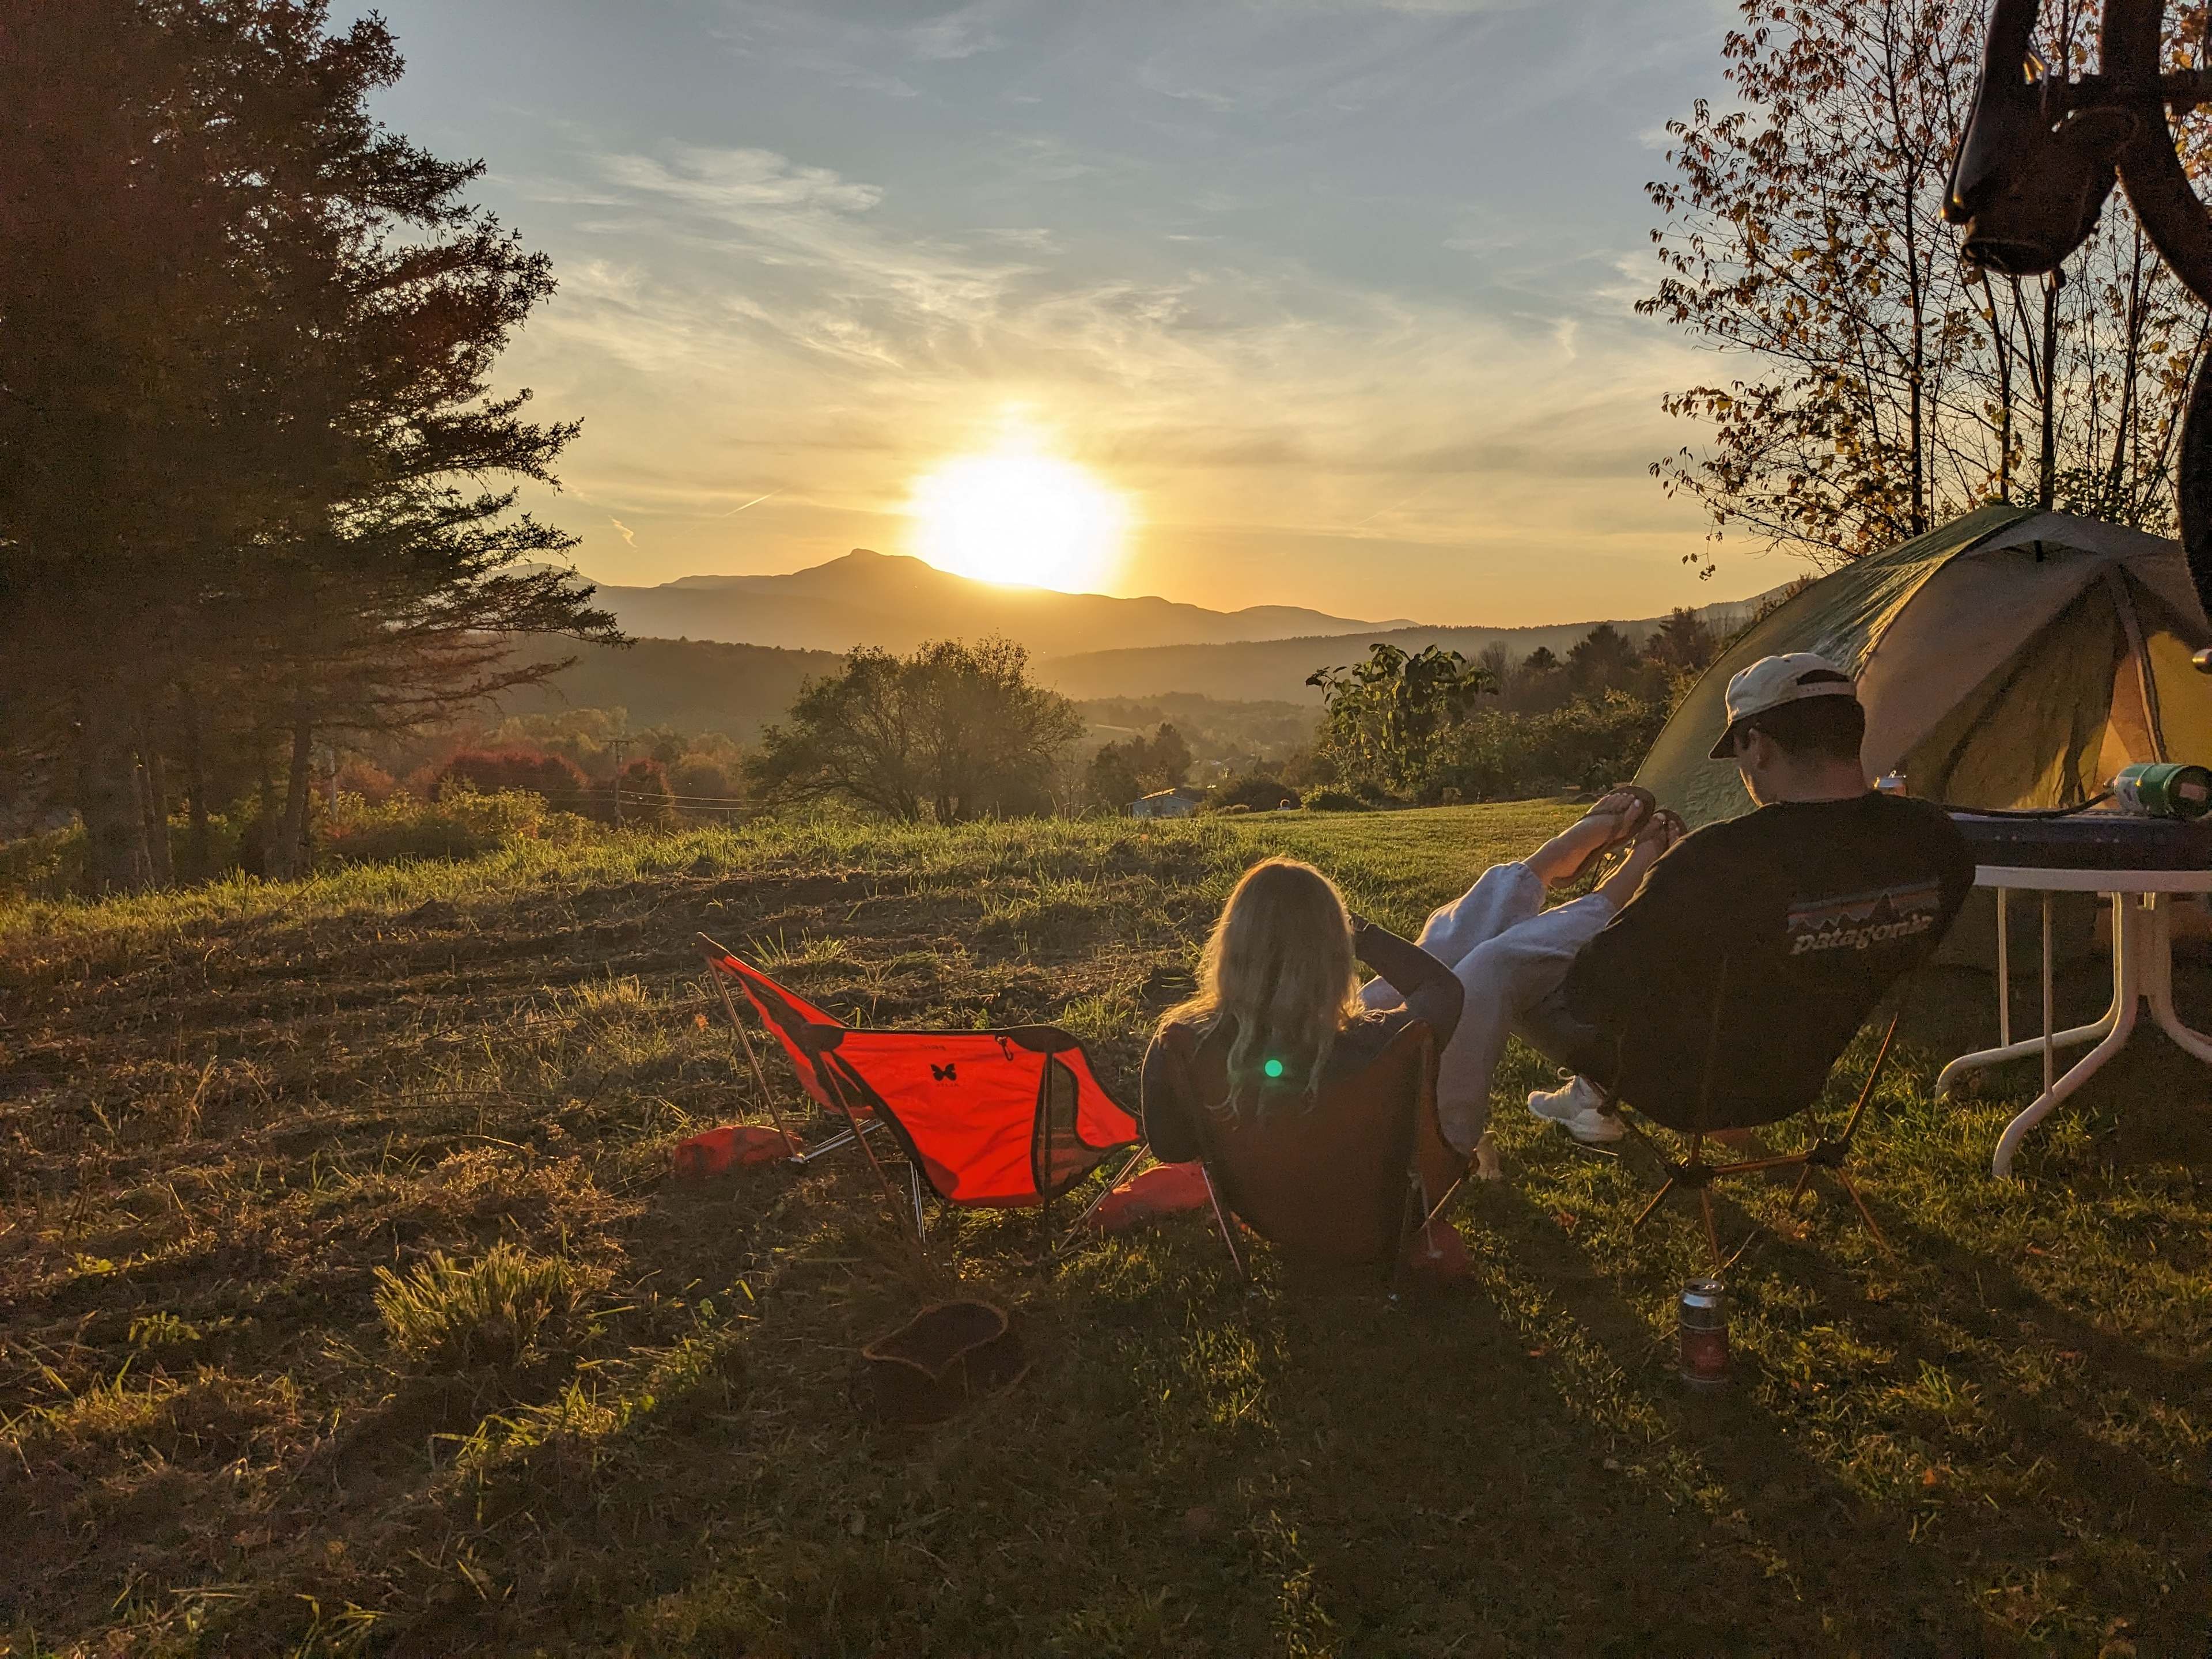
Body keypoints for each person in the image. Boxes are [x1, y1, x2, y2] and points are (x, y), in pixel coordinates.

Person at [1380, 652, 1974, 1149]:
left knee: (1496, 961)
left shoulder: (1722, 860)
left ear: (1759, 746)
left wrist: (1646, 884)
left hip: (1681, 1080)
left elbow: (1595, 990)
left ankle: (1438, 1141)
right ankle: (1573, 871)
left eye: (1740, 755)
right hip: (1796, 1076)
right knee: (1511, 948)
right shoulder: (1935, 841)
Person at [1141, 858, 1464, 1164]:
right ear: (1335, 953)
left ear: (1231, 949)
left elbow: (1172, 1148)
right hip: (1377, 1215)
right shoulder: (1375, 1045)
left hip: (1259, 1214)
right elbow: (1443, 989)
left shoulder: (1182, 1043)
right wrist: (1359, 935)